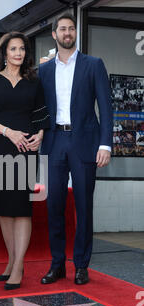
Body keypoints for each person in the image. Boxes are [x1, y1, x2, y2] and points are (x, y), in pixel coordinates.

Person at [38, 13, 113, 285]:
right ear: (54, 35)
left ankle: (81, 265)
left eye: (71, 29)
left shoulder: (93, 65)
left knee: (83, 206)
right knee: (54, 206)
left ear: (75, 33)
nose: (67, 33)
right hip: (54, 141)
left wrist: (105, 143)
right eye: (62, 29)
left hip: (85, 144)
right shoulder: (44, 70)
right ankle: (57, 264)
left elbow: (105, 106)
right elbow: (39, 109)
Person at [0, 31, 50, 290]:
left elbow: (41, 117)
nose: (18, 53)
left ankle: (18, 267)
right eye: (13, 48)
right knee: (4, 208)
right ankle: (12, 260)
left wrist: (38, 137)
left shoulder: (33, 82)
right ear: (4, 52)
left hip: (26, 149)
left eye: (22, 49)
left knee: (22, 207)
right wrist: (9, 131)